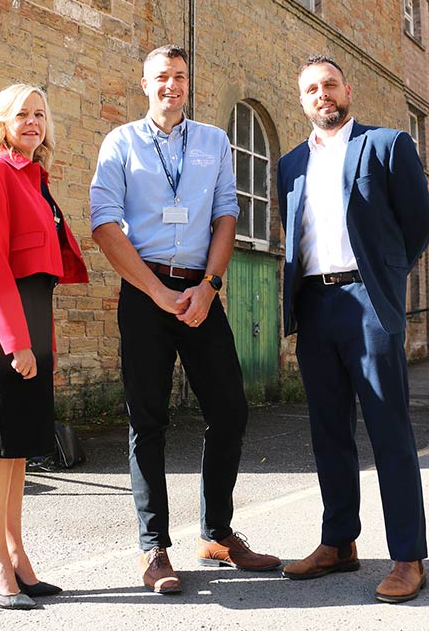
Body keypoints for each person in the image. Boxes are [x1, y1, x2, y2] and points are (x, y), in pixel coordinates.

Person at [90, 44, 280, 594]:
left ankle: (217, 533)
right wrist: (153, 290)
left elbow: (227, 212)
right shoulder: (121, 142)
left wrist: (210, 285)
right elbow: (104, 222)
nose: (171, 85)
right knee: (146, 420)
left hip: (200, 289)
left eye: (180, 76)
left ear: (187, 84)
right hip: (144, 287)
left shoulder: (214, 142)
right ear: (144, 84)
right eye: (161, 77)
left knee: (230, 409)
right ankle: (154, 549)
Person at [277, 55, 429, 604]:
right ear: (302, 101)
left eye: (329, 85)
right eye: (311, 89)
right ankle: (338, 542)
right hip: (315, 305)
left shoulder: (388, 146)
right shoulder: (290, 163)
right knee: (328, 430)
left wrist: (385, 280)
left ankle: (408, 556)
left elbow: (417, 225)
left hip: (368, 300)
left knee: (389, 429)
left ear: (348, 90)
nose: (322, 95)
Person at [0, 84, 88, 609]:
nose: (34, 121)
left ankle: (17, 554)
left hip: (35, 313)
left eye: (40, 113)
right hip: (6, 317)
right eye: (23, 113)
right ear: (1, 120)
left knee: (20, 445)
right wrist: (17, 342)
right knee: (0, 445)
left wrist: (40, 339)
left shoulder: (37, 178)